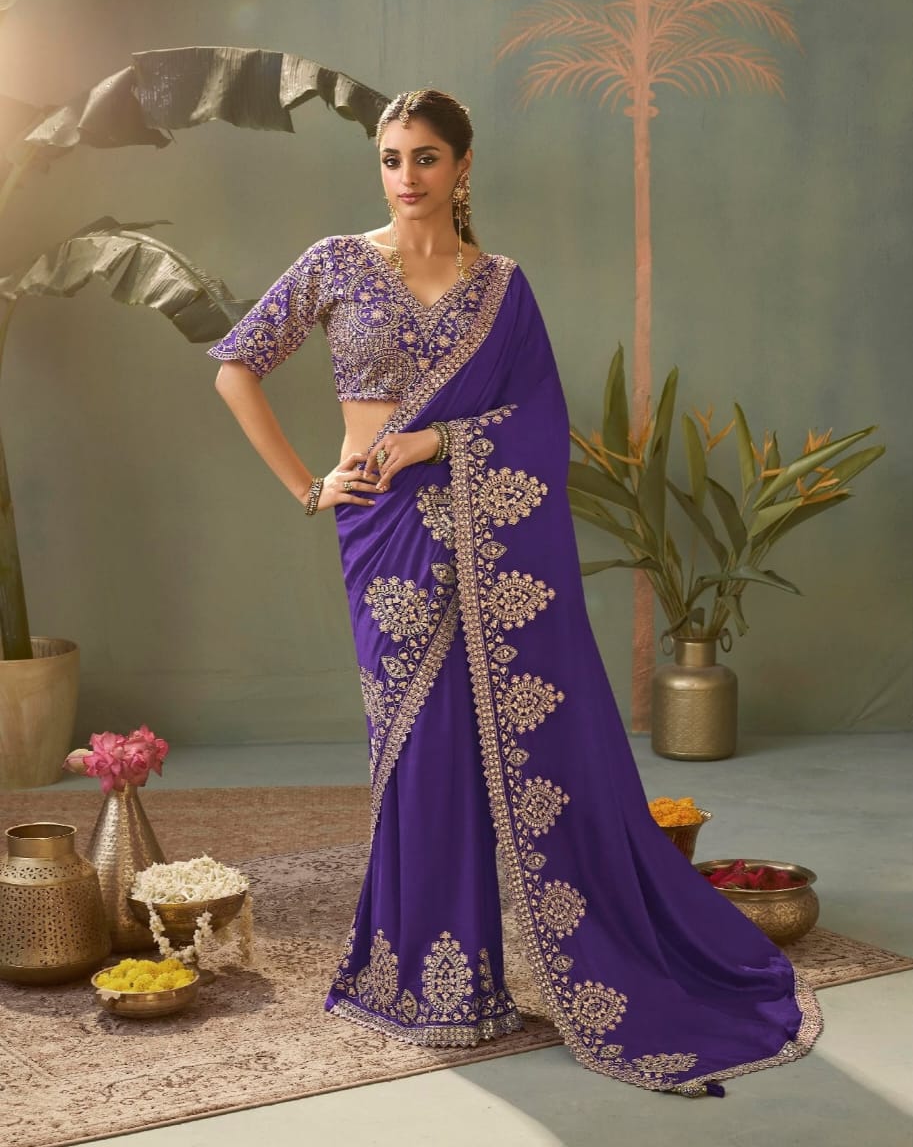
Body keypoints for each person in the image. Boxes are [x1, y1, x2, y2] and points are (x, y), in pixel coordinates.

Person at [206, 87, 823, 1096]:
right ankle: (419, 977)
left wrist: (434, 440)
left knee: (471, 741)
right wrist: (308, 485)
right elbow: (235, 366)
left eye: (425, 157)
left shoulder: (500, 287)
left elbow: (536, 425)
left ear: (462, 167)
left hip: (480, 530)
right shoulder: (335, 262)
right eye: (391, 158)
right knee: (415, 744)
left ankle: (491, 971)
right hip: (383, 535)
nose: (406, 176)